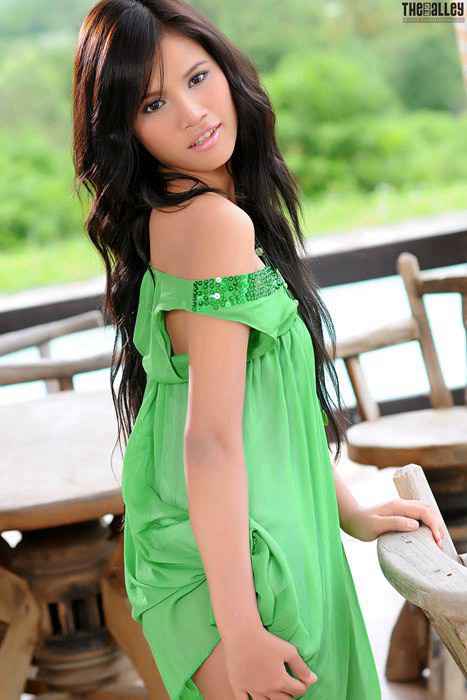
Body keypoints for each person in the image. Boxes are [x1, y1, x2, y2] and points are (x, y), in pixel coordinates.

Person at [71, 1, 444, 698]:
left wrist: (348, 509)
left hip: (252, 532)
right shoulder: (211, 224)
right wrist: (240, 630)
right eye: (153, 103)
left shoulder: (185, 215)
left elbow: (265, 406)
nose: (192, 113)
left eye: (197, 78)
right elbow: (209, 440)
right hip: (240, 562)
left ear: (227, 69)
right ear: (125, 128)